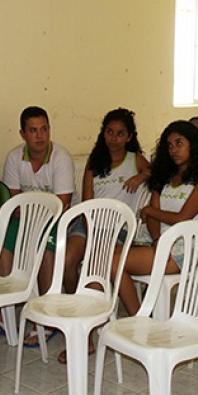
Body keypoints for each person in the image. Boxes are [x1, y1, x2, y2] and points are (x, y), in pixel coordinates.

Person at [112, 120, 198, 316]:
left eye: (179, 143)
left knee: (115, 263)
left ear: (192, 144)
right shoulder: (164, 177)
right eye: (169, 145)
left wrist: (149, 211)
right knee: (106, 256)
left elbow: (182, 218)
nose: (173, 150)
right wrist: (158, 238)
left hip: (183, 246)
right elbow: (153, 218)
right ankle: (141, 314)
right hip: (157, 240)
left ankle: (139, 318)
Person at [64, 107, 150, 293]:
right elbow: (87, 203)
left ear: (129, 137)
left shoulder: (135, 160)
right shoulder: (94, 162)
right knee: (67, 259)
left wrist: (140, 177)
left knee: (97, 265)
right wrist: (91, 232)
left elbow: (154, 173)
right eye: (109, 132)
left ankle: (95, 306)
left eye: (120, 134)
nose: (113, 138)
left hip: (118, 229)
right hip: (89, 224)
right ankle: (74, 301)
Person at [0, 106, 75, 296]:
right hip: (24, 219)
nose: (40, 136)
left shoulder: (61, 157)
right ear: (22, 134)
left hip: (56, 221)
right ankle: (4, 309)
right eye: (33, 130)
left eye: (44, 129)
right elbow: (13, 204)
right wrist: (35, 210)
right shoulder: (13, 157)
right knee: (2, 242)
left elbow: (61, 205)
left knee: (46, 244)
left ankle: (46, 305)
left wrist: (29, 209)